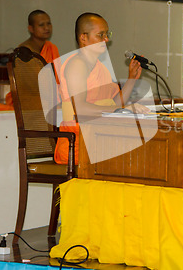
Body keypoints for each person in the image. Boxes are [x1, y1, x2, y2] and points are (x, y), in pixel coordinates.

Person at [53, 12, 148, 164]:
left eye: (107, 34)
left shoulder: (100, 67)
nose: (106, 39)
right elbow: (81, 109)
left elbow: (114, 104)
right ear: (83, 38)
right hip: (78, 143)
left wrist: (131, 79)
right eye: (100, 35)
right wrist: (124, 110)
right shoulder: (77, 65)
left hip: (99, 135)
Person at [5, 10, 60, 107]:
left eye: (48, 24)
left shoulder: (52, 48)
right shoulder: (23, 51)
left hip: (50, 99)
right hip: (28, 101)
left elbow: (58, 78)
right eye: (41, 25)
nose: (46, 28)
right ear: (31, 28)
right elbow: (25, 85)